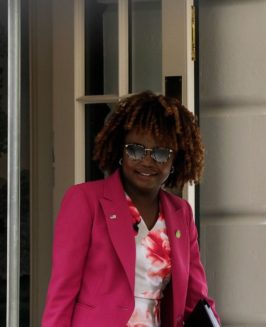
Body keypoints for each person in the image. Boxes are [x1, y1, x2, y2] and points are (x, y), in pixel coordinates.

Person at [42, 91, 219, 326]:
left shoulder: (181, 213)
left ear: (175, 160)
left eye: (160, 153)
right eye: (135, 150)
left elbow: (195, 298)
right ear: (121, 151)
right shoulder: (84, 200)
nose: (147, 161)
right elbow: (61, 294)